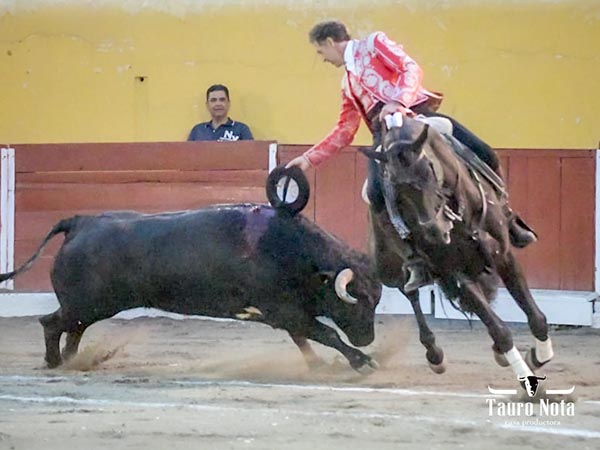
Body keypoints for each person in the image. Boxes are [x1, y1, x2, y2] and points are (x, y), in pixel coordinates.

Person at [286, 20, 536, 291]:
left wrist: (397, 102)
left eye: (321, 52)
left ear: (329, 42)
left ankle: (507, 218)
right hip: (385, 138)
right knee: (376, 195)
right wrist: (309, 159)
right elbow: (345, 129)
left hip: (418, 118)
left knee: (485, 152)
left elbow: (410, 68)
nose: (323, 59)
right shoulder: (348, 83)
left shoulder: (374, 44)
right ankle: (414, 257)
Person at [188, 84, 254, 142]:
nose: (218, 104)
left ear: (228, 103)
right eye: (213, 100)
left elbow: (252, 154)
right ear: (207, 105)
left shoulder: (241, 130)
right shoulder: (198, 131)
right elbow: (187, 155)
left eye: (222, 100)